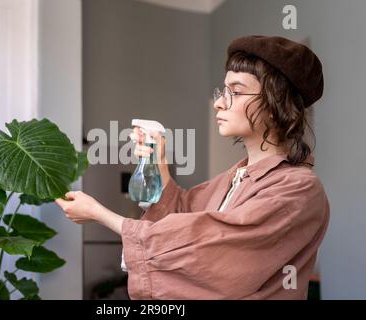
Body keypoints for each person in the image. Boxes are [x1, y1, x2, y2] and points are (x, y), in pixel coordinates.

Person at [55, 35, 330, 299]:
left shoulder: (298, 189)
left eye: (235, 91)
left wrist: (99, 214)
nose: (220, 103)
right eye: (223, 91)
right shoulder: (233, 178)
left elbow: (211, 251)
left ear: (274, 104)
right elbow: (182, 211)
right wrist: (158, 160)